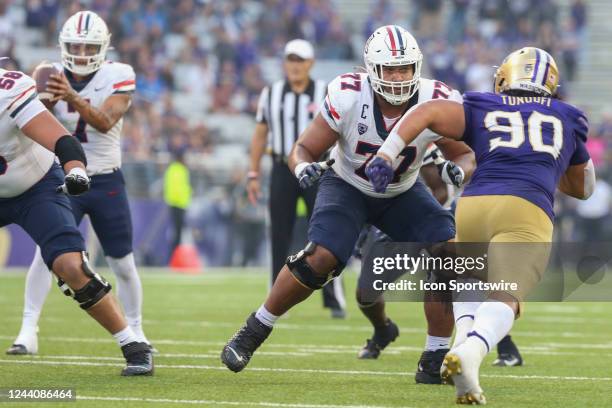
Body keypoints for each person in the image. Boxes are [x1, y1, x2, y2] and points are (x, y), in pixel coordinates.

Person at [221, 25, 476, 384]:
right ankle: (254, 329)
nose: (399, 76)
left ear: (417, 66)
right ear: (372, 69)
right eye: (390, 69)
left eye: (404, 67)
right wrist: (303, 168)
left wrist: (457, 171)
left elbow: (466, 155)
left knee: (447, 249)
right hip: (347, 185)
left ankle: (434, 355)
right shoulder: (349, 94)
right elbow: (304, 148)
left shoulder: (436, 97)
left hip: (402, 192)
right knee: (321, 258)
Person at [367, 47, 594, 404]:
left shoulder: (483, 104)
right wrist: (553, 162)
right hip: (525, 208)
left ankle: (459, 346)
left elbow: (426, 112)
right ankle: (471, 353)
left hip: (473, 206)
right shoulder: (568, 116)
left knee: (470, 279)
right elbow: (583, 187)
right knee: (507, 294)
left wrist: (385, 153)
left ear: (505, 76)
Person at [7, 11, 152, 355]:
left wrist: (71, 97)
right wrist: (45, 102)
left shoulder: (119, 75)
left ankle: (137, 329)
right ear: (63, 46)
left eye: (89, 48)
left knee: (122, 262)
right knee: (48, 255)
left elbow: (105, 121)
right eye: (76, 46)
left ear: (103, 48)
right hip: (62, 179)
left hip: (105, 179)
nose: (83, 54)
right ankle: (28, 331)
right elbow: (28, 124)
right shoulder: (47, 74)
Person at [246, 39, 345, 318]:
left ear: (310, 63)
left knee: (327, 235)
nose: (295, 65)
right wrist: (253, 172)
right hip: (281, 168)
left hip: (318, 168)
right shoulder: (272, 93)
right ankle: (277, 300)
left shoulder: (325, 91)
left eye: (300, 60)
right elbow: (260, 134)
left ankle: (334, 298)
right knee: (279, 235)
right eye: (290, 59)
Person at [164, 147, 192, 256]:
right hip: (179, 205)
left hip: (174, 204)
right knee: (178, 233)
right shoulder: (180, 170)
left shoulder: (171, 169)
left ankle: (174, 256)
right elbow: (179, 189)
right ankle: (175, 256)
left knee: (177, 233)